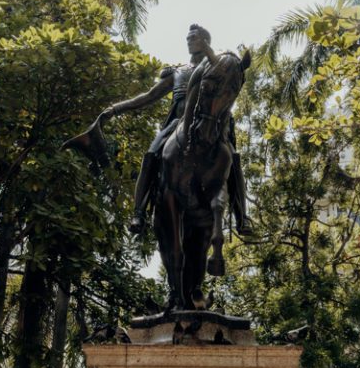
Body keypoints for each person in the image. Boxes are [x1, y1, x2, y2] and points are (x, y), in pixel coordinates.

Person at [99, 24, 253, 235]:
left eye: (194, 38)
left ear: (205, 42)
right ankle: (139, 212)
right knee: (151, 154)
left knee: (233, 159)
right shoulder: (178, 70)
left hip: (214, 123)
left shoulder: (218, 67)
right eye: (188, 38)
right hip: (178, 123)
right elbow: (149, 96)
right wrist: (115, 109)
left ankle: (241, 216)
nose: (189, 41)